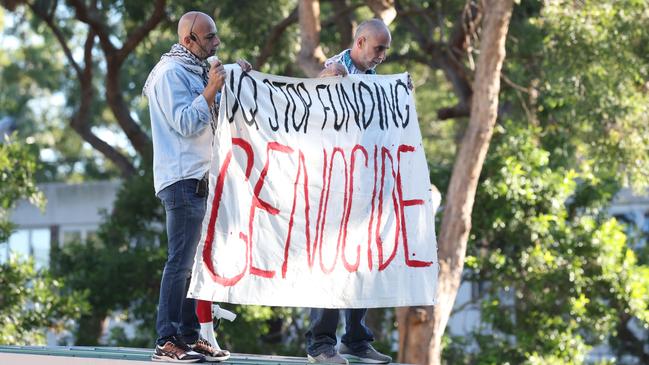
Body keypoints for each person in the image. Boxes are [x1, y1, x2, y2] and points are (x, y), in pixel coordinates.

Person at [142, 10, 251, 363]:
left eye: (216, 36)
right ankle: (167, 339)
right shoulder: (170, 74)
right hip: (181, 179)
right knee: (180, 263)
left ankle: (189, 336)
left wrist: (237, 81)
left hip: (203, 179)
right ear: (188, 40)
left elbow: (216, 115)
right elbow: (187, 122)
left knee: (198, 263)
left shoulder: (196, 70)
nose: (217, 43)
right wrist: (211, 89)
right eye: (210, 37)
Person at [306, 19, 396, 365]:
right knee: (330, 264)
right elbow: (311, 114)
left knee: (362, 265)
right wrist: (322, 86)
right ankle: (320, 344)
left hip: (366, 189)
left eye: (385, 49)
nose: (383, 56)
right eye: (378, 49)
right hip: (333, 189)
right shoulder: (332, 71)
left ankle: (356, 340)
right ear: (360, 42)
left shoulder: (376, 81)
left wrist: (400, 93)